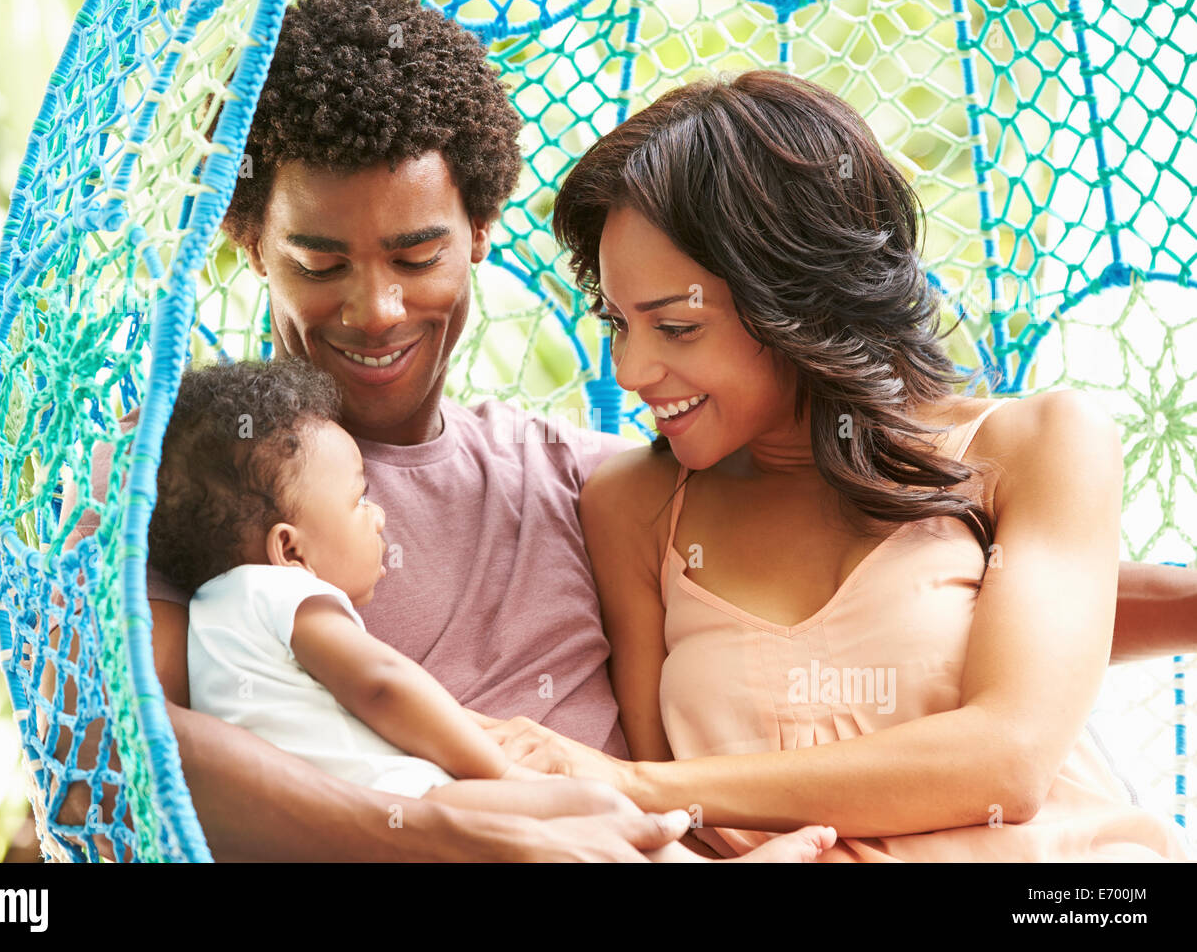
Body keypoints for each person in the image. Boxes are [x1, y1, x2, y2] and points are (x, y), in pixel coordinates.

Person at [58, 0, 1195, 861]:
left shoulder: (589, 477)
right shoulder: (200, 471)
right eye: (318, 261)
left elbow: (908, 567)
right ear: (252, 243)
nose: (376, 308)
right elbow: (103, 747)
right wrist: (452, 825)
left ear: (478, 234)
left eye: (416, 255)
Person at [475, 68, 1194, 861]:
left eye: (676, 327)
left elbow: (1008, 761)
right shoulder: (632, 504)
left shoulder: (1033, 444)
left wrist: (635, 784)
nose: (631, 370)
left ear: (798, 300)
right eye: (618, 321)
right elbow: (680, 841)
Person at [143, 357, 837, 861]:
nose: (380, 517)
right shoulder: (287, 595)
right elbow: (382, 684)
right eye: (360, 500)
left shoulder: (206, 618)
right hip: (418, 804)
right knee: (595, 806)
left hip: (345, 826)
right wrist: (495, 768)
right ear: (289, 548)